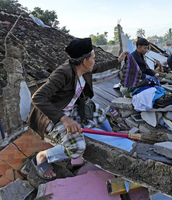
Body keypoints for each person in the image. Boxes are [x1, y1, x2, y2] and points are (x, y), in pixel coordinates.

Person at [27, 38, 127, 179]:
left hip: (71, 109)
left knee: (98, 111)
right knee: (76, 147)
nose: (94, 60)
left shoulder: (84, 69)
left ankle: (111, 137)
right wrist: (65, 120)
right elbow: (37, 97)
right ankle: (42, 156)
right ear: (84, 61)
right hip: (52, 115)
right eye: (93, 58)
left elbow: (99, 67)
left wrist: (118, 61)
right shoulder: (63, 74)